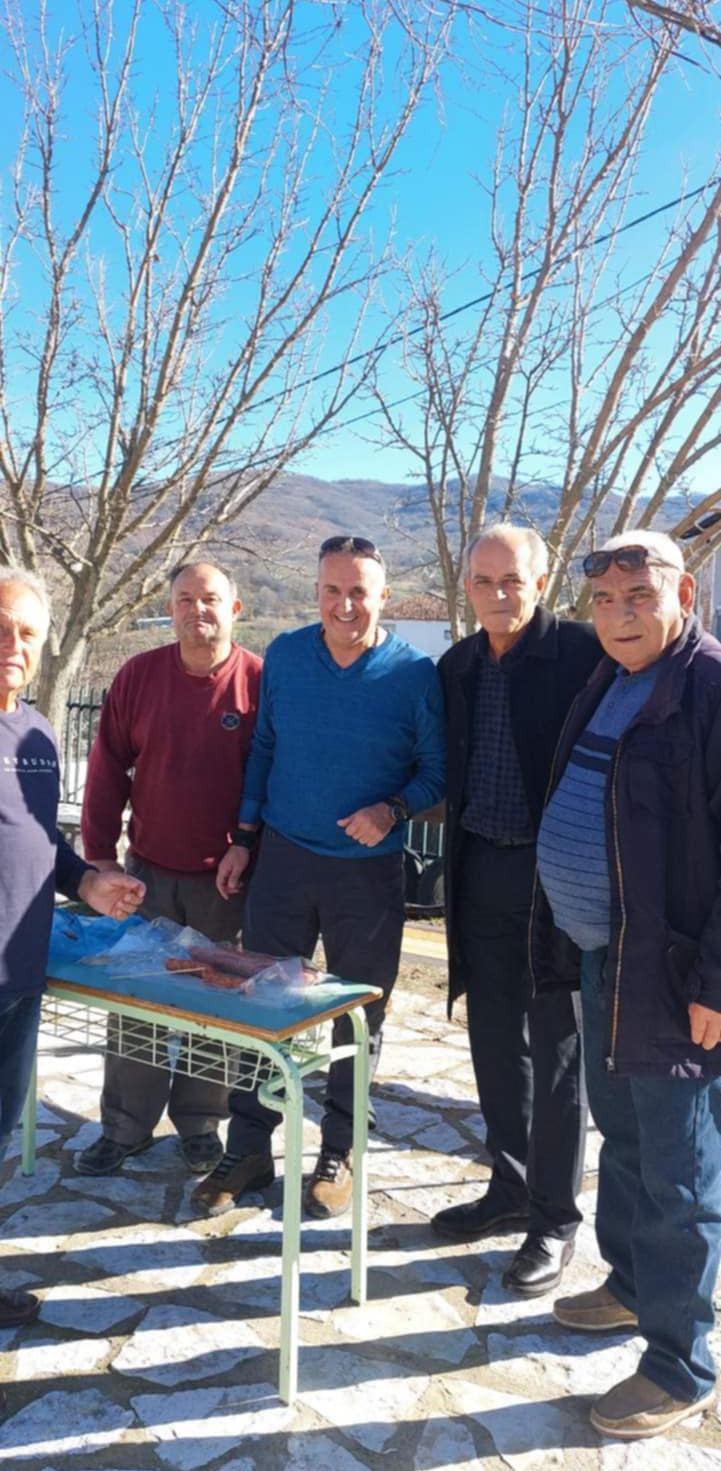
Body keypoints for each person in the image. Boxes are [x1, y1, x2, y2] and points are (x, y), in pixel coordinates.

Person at [192, 534, 446, 1217]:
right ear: (316, 593)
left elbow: (437, 771)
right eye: (332, 591)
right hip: (282, 860)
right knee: (261, 1004)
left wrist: (392, 810)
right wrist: (245, 838)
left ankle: (340, 1150)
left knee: (358, 1017)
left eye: (359, 592)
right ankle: (249, 1149)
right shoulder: (287, 654)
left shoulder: (413, 674)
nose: (345, 605)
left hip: (368, 875)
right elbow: (264, 748)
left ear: (383, 596)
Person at [533, 529, 721, 1439]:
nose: (618, 616)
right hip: (605, 959)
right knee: (625, 1139)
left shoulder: (709, 688)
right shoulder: (611, 678)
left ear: (682, 594)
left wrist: (715, 982)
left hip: (673, 976)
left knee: (681, 1173)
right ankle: (632, 1285)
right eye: (604, 602)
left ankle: (681, 1365)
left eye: (637, 597)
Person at [431, 525, 602, 1298]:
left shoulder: (583, 655)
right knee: (494, 1040)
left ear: (540, 582)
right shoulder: (458, 665)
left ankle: (554, 1219)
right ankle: (507, 1187)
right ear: (466, 586)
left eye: (511, 580)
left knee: (558, 1052)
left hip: (554, 880)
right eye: (482, 580)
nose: (497, 594)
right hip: (478, 871)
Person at [0, 567, 144, 1365]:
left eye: (26, 631)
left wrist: (87, 881)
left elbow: (40, 843)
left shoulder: (37, 734)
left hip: (19, 977)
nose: (12, 645)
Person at [77, 561, 262, 1178]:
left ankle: (202, 1123)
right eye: (184, 599)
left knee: (215, 1007)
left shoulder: (259, 682)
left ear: (235, 608)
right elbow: (107, 767)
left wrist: (249, 846)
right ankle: (125, 1127)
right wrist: (100, 857)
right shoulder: (139, 676)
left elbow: (273, 780)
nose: (196, 610)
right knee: (137, 1000)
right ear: (170, 608)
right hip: (146, 872)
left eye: (209, 599)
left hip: (226, 881)